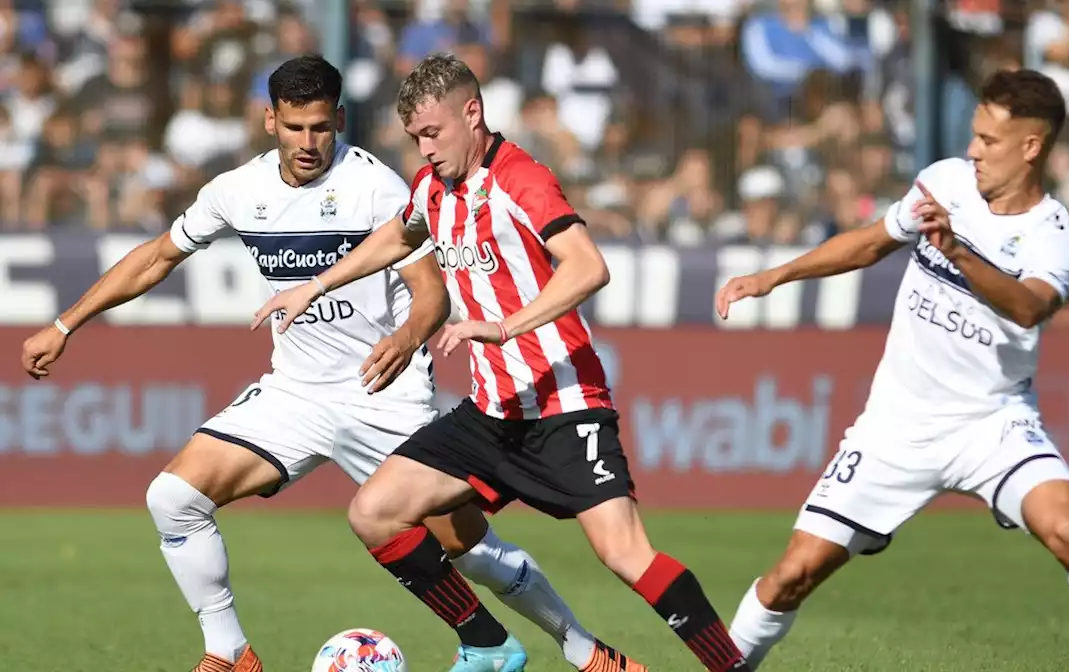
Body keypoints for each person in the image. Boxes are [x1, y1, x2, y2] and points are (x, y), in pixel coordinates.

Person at [19, 55, 640, 672]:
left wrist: (405, 338)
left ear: (339, 119)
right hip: (295, 394)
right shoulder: (239, 191)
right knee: (172, 498)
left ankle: (581, 649)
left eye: (321, 126)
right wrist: (65, 323)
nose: (309, 142)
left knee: (468, 547)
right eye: (295, 127)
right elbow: (157, 257)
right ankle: (230, 653)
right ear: (270, 122)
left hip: (383, 395)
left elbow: (432, 292)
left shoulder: (376, 187)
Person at [253, 53, 750, 672]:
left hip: (563, 407)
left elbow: (589, 266)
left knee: (626, 555)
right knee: (375, 512)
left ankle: (731, 667)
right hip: (492, 414)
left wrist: (505, 327)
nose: (425, 149)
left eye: (432, 133)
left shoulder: (522, 179)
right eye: (414, 138)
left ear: (473, 113)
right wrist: (314, 285)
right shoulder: (434, 188)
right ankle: (490, 645)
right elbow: (397, 236)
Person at [715, 69, 1069, 671]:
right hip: (895, 427)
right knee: (792, 575)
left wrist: (957, 251)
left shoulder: (1054, 235)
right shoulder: (946, 182)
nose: (973, 149)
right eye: (975, 135)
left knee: (1067, 530)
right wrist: (774, 276)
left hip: (991, 421)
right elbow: (872, 241)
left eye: (990, 141)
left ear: (1032, 147)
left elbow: (1029, 308)